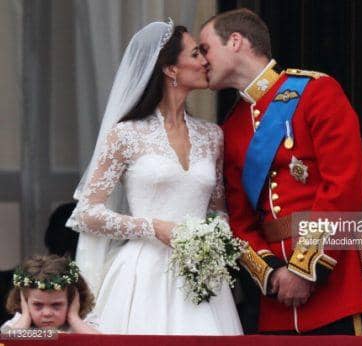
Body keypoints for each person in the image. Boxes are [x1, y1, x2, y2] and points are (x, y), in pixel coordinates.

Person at [199, 8, 362, 335]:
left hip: (338, 286)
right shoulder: (233, 126)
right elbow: (240, 221)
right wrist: (273, 272)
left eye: (206, 48)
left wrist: (304, 270)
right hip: (277, 301)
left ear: (235, 41)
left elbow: (343, 187)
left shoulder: (316, 92)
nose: (202, 60)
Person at [66, 20, 242, 335]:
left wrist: (215, 236)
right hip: (142, 274)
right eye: (195, 53)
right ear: (170, 69)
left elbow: (218, 208)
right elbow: (87, 213)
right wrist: (154, 227)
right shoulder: (126, 134)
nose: (205, 61)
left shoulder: (212, 136)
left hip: (202, 277)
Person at [1, 255, 98, 334]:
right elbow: (6, 343)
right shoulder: (19, 325)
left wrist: (73, 318)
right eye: (38, 305)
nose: (47, 313)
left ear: (72, 302)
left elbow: (101, 343)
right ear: (24, 303)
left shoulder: (82, 324)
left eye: (56, 305)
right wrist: (25, 317)